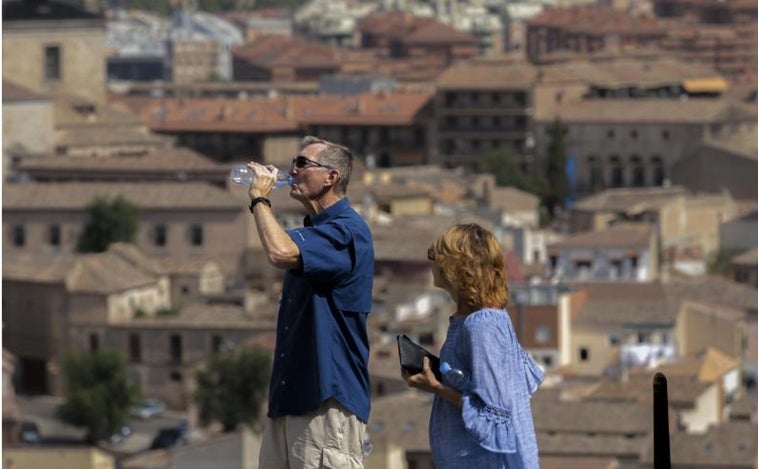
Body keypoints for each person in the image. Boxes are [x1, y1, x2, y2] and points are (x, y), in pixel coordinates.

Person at [245, 136, 374, 469]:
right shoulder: (316, 232)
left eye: (303, 164)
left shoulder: (346, 232)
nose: (292, 170)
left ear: (331, 177)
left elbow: (279, 251)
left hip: (325, 402)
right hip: (291, 401)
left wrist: (260, 198)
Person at [403, 223, 543, 469]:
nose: (431, 261)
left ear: (456, 267)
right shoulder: (479, 319)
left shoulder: (482, 325)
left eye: (435, 255)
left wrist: (436, 387)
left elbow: (495, 415)